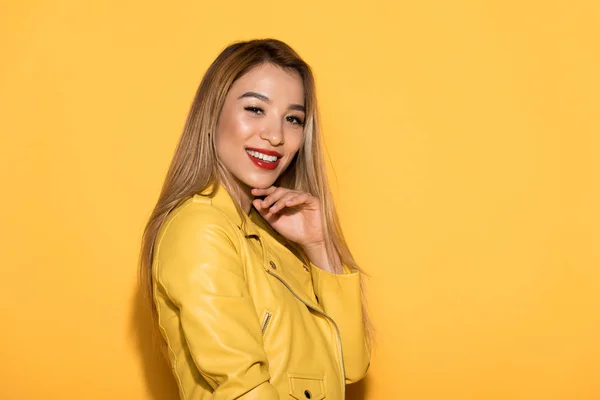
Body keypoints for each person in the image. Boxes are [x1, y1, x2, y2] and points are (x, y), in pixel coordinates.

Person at [139, 38, 371, 400]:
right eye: (255, 109)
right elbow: (243, 388)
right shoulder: (200, 229)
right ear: (212, 114)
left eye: (293, 119)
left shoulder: (271, 239)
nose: (275, 136)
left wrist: (320, 247)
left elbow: (350, 366)